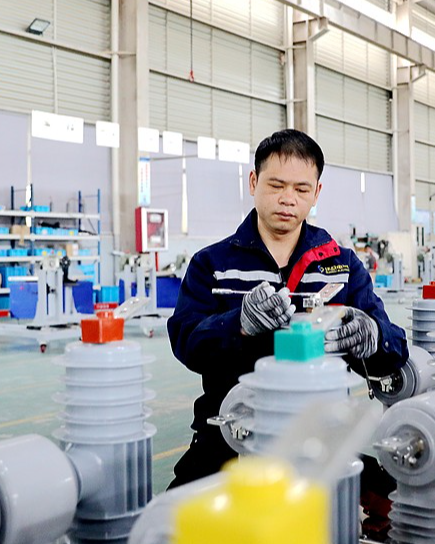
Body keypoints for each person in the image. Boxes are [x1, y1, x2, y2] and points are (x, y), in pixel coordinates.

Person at [166, 129, 409, 489]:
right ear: (253, 182)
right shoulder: (213, 264)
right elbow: (186, 341)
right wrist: (240, 324)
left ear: (316, 194)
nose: (287, 199)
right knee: (172, 528)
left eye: (301, 189)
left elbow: (395, 351)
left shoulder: (341, 266)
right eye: (276, 185)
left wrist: (373, 336)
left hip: (322, 437)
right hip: (232, 435)